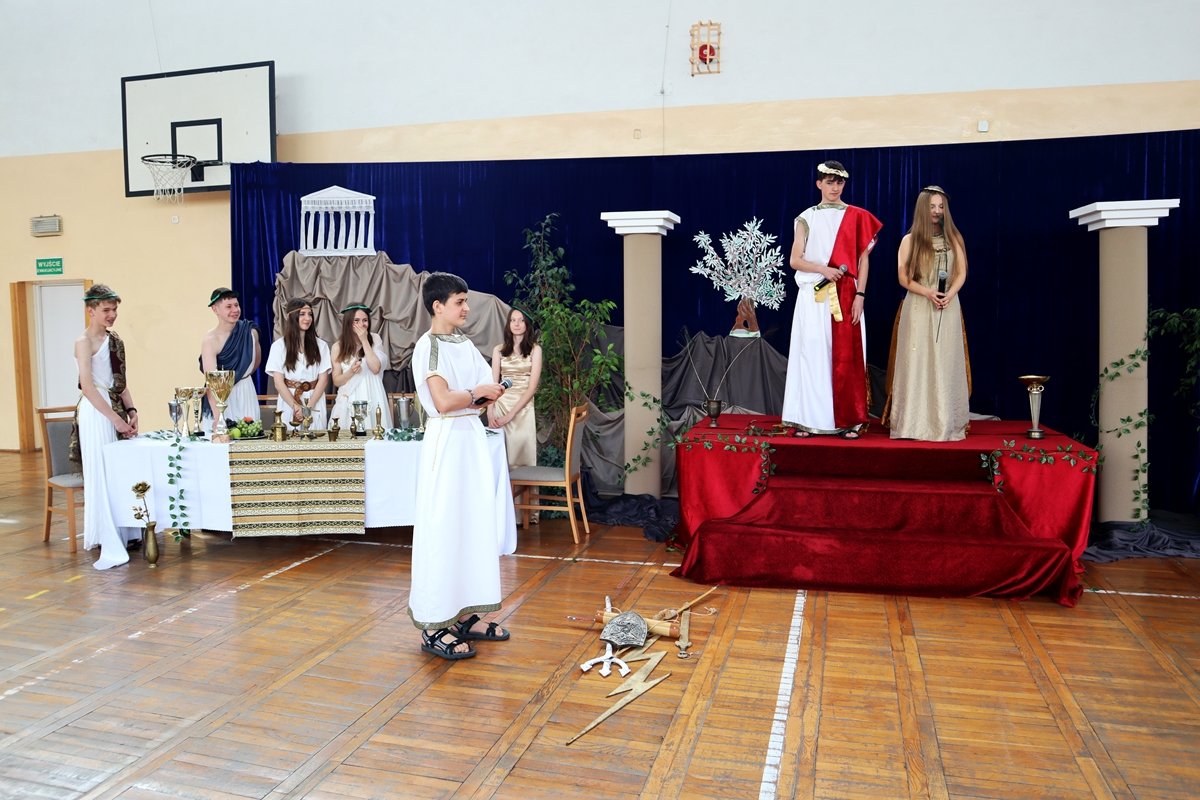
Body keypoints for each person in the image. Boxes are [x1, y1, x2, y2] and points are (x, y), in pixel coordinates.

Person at [410, 272, 515, 660]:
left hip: (469, 439)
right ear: (438, 306)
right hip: (448, 441)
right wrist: (476, 393)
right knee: (443, 528)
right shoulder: (429, 346)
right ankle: (434, 624)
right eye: (459, 301)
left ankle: (465, 615)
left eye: (466, 300)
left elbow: (480, 391)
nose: (467, 308)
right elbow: (442, 401)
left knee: (472, 526)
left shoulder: (465, 344)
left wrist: (485, 394)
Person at [781, 160, 883, 438]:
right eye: (829, 182)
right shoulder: (806, 218)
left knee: (846, 358)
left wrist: (860, 295)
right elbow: (795, 260)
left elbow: (862, 261)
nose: (834, 187)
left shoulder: (858, 216)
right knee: (812, 354)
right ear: (819, 184)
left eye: (839, 182)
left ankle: (849, 420)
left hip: (847, 294)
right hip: (814, 296)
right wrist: (823, 269)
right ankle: (808, 419)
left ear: (844, 184)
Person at [885, 186, 971, 441]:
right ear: (923, 208)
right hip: (919, 307)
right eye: (932, 206)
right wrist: (928, 292)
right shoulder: (909, 240)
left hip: (947, 306)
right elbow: (903, 278)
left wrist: (949, 294)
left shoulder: (954, 238)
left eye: (941, 207)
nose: (937, 211)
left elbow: (962, 272)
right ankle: (913, 423)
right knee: (917, 362)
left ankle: (944, 422)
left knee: (944, 362)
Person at [72, 284, 141, 569]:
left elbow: (120, 382)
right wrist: (115, 419)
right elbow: (88, 386)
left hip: (115, 408)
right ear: (91, 311)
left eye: (114, 310)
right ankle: (104, 533)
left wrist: (131, 410)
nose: (112, 315)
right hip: (97, 412)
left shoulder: (115, 340)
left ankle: (127, 531)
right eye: (106, 310)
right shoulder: (83, 342)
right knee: (101, 472)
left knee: (120, 471)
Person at [199, 287, 261, 434]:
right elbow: (212, 381)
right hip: (220, 398)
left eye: (236, 305)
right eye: (228, 306)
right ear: (215, 309)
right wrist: (217, 417)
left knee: (250, 438)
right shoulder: (210, 340)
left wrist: (241, 377)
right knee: (220, 441)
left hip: (246, 392)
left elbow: (256, 361)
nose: (235, 310)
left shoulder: (250, 332)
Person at [264, 298, 332, 430]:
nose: (307, 318)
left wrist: (308, 407)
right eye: (302, 314)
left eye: (310, 314)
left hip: (314, 400)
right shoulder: (278, 346)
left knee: (315, 437)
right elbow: (278, 382)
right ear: (291, 316)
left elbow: (323, 380)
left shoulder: (321, 345)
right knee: (290, 437)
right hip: (288, 400)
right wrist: (296, 406)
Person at [488, 306, 542, 469]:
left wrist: (511, 415)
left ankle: (523, 487)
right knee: (499, 456)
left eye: (521, 320)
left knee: (522, 456)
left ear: (527, 324)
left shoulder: (535, 350)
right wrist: (490, 412)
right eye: (512, 320)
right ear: (508, 324)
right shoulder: (498, 350)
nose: (516, 324)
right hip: (500, 406)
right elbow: (493, 384)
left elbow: (532, 388)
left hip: (523, 408)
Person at [329, 303, 393, 431]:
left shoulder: (375, 339)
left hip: (373, 395)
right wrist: (351, 371)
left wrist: (364, 340)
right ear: (348, 323)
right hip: (350, 398)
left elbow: (375, 368)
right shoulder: (337, 347)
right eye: (356, 321)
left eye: (365, 320)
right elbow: (336, 380)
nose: (362, 324)